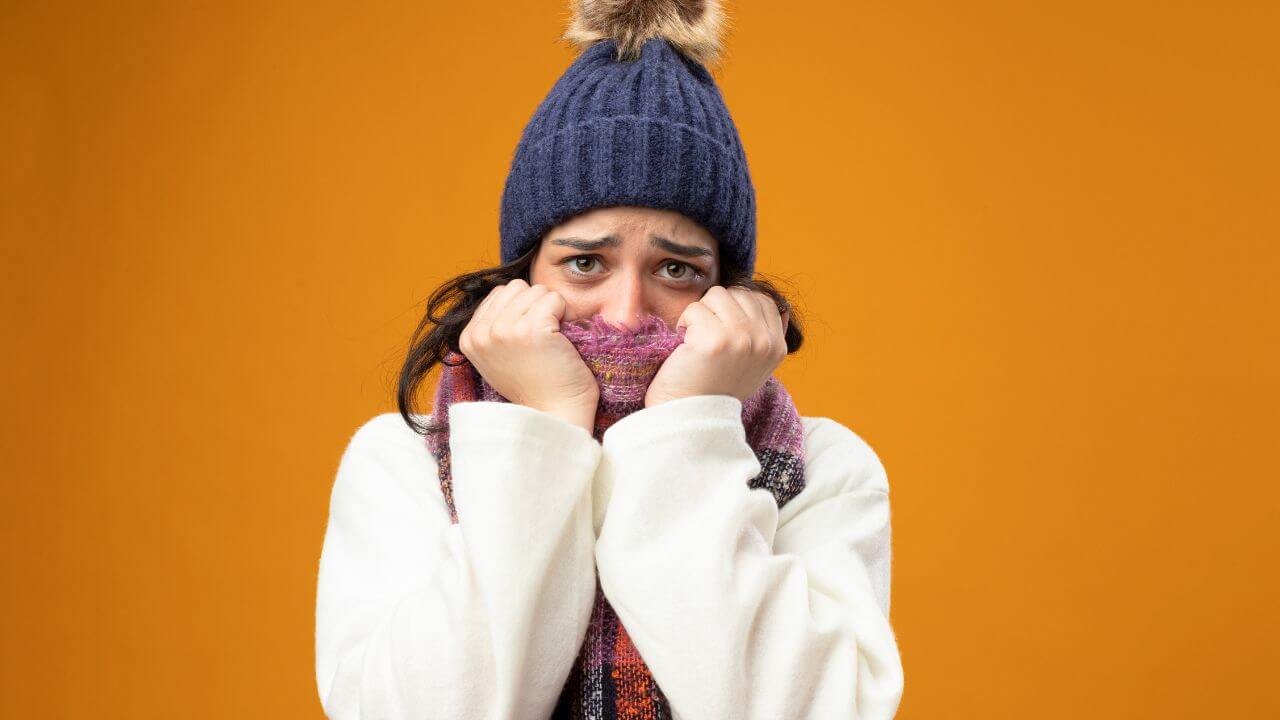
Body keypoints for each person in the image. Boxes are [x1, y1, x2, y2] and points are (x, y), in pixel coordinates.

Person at [314, 1, 905, 718]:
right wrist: (546, 428)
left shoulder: (825, 468)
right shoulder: (401, 462)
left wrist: (685, 428)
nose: (626, 312)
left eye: (676, 269)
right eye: (586, 262)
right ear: (523, 277)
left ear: (727, 293)